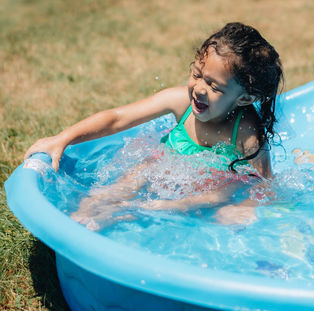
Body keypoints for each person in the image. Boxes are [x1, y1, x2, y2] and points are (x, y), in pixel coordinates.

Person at [24, 22, 283, 228]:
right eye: (196, 74)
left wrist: (246, 207)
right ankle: (82, 221)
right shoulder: (180, 101)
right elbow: (118, 118)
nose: (200, 89)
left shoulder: (247, 133)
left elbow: (265, 184)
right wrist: (63, 139)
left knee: (200, 200)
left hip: (207, 187)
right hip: (162, 165)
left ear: (245, 98)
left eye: (214, 86)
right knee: (119, 186)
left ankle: (129, 215)